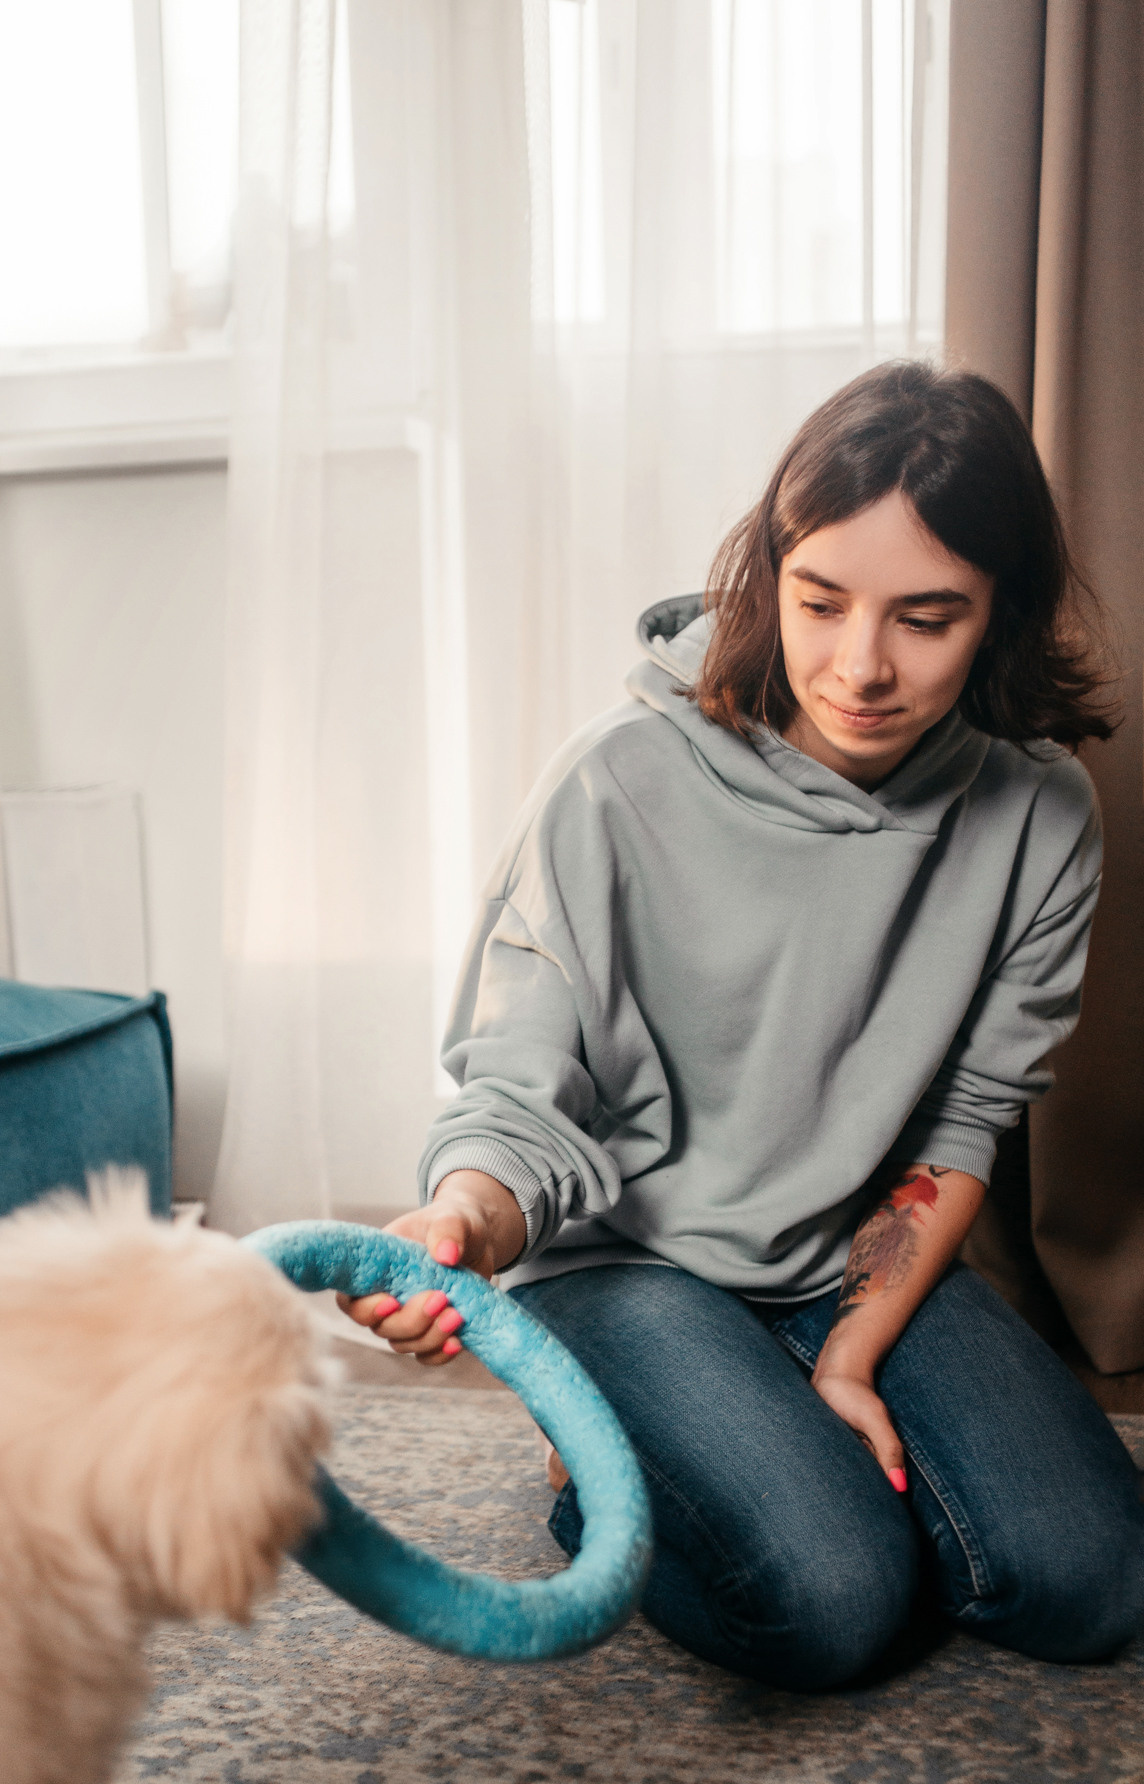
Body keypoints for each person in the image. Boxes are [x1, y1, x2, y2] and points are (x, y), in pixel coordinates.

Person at [337, 361, 1144, 1691]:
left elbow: (965, 1122)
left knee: (1090, 1583)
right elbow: (520, 1094)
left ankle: (727, 1437)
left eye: (928, 618)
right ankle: (600, 1447)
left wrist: (850, 1357)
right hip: (628, 1264)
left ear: (998, 614)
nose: (862, 666)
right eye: (821, 602)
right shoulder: (618, 778)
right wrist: (461, 1226)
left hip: (841, 1250)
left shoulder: (1042, 816)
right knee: (833, 1609)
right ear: (770, 574)